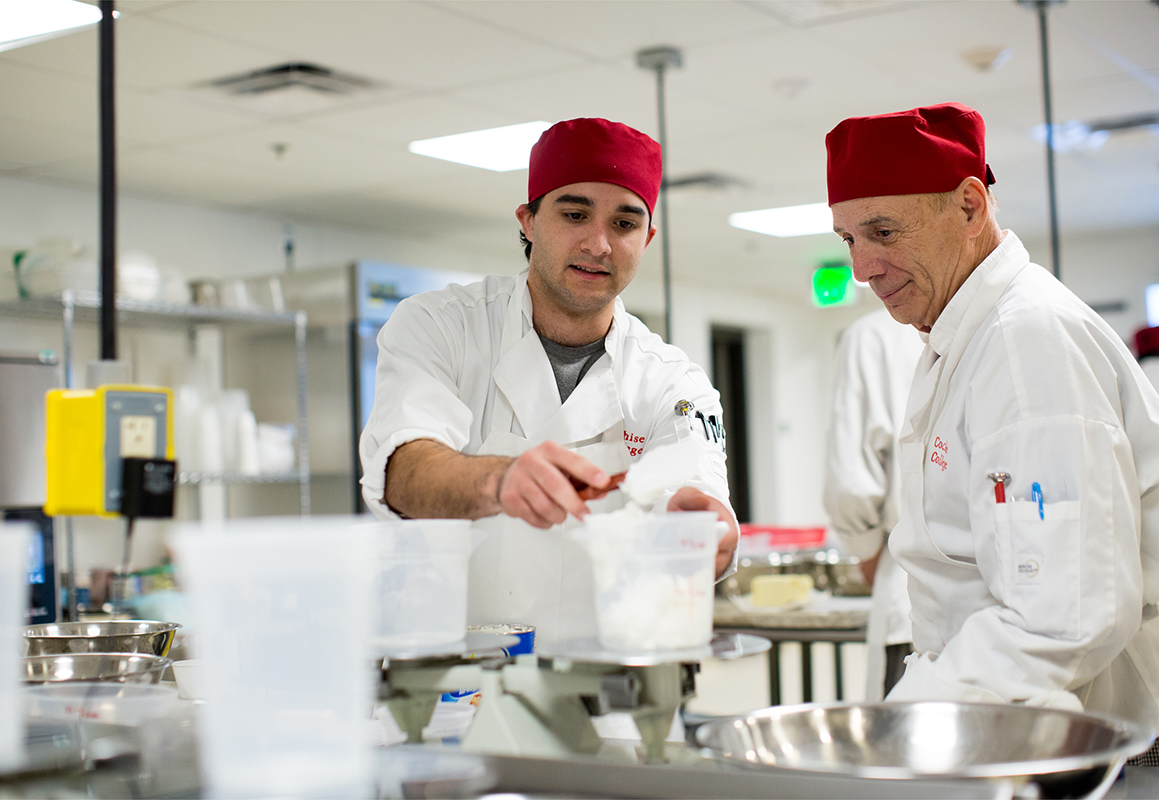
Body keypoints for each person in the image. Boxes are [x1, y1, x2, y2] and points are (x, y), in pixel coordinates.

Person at [825, 102, 1159, 742]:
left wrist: (905, 728)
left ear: (970, 208)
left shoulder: (1024, 338)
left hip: (1103, 735)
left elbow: (1064, 615)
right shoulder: (962, 337)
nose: (861, 268)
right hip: (1012, 712)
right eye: (848, 240)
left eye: (884, 232)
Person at [360, 117, 739, 647]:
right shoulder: (441, 326)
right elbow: (401, 472)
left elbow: (697, 485)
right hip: (459, 680)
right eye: (575, 213)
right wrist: (498, 480)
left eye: (625, 224)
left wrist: (705, 527)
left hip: (616, 688)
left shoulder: (673, 380)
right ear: (529, 220)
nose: (600, 243)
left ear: (647, 239)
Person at [824, 308, 922, 700]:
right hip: (1013, 616)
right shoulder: (1004, 325)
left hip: (912, 596)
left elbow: (850, 481)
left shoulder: (873, 337)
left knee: (904, 750)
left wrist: (864, 548)